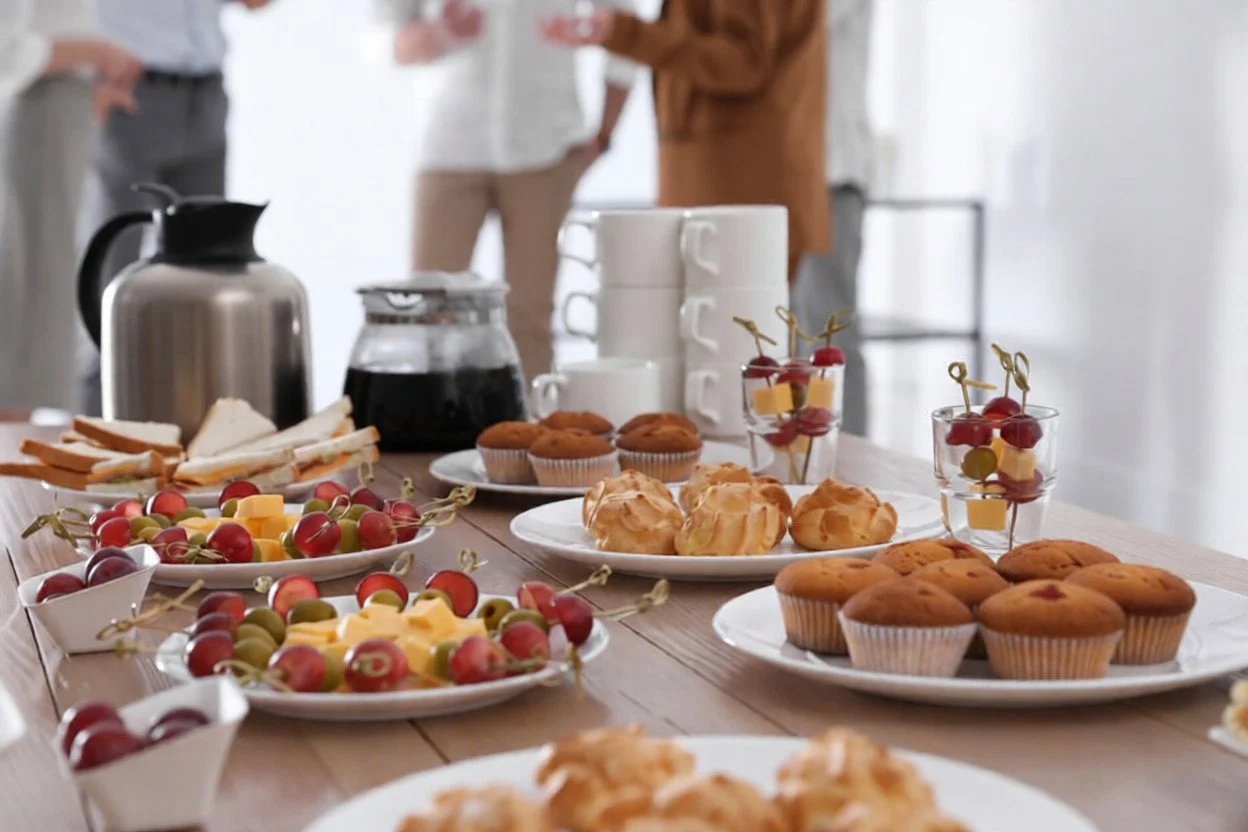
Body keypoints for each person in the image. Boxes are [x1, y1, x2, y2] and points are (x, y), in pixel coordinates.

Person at [384, 0, 640, 382]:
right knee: (430, 311)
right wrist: (432, 36)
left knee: (530, 317)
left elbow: (625, 26)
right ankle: (430, 430)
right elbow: (379, 36)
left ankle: (528, 432)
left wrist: (604, 133)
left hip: (545, 149)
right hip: (447, 145)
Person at [77, 0, 271, 415]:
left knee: (206, 272)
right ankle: (99, 434)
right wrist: (85, 73)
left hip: (205, 94)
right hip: (129, 87)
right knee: (113, 268)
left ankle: (196, 428)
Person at [540, 0, 828, 280]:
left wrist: (627, 34)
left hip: (735, 191)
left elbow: (743, 61)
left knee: (733, 321)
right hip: (725, 189)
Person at [0, 0, 140, 417]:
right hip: (41, 99)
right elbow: (7, 47)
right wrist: (97, 54)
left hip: (66, 97)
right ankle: (11, 472)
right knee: (33, 290)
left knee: (46, 285)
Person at [794, 0, 873, 437]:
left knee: (829, 336)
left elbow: (794, 23)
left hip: (831, 173)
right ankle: (802, 463)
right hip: (791, 172)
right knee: (795, 337)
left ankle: (850, 467)